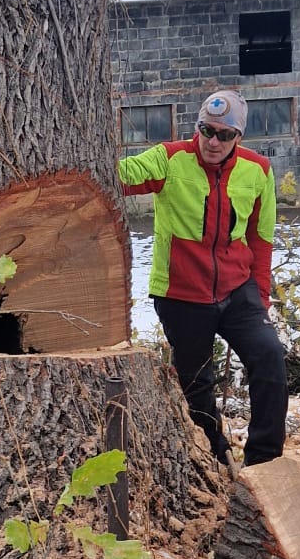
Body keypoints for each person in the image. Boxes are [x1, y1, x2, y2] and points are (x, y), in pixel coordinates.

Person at [118, 89, 288, 468]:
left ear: (238, 138)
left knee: (270, 358)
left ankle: (265, 463)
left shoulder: (257, 169)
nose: (212, 142)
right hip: (181, 291)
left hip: (237, 288)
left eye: (224, 135)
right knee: (196, 383)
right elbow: (120, 176)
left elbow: (261, 239)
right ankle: (214, 454)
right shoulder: (170, 158)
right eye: (206, 130)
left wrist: (260, 297)